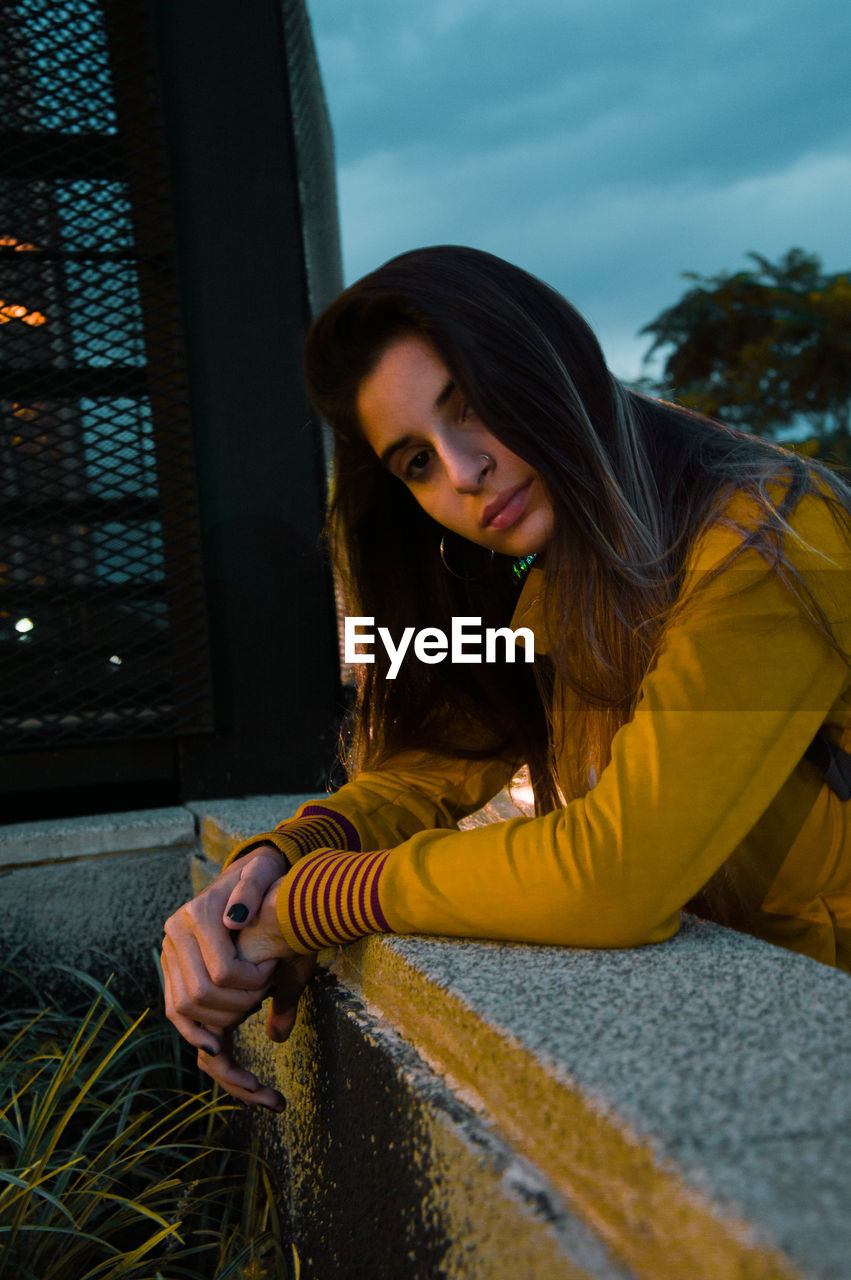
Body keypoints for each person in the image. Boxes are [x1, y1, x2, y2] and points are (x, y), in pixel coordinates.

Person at [162, 246, 851, 1110]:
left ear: (553, 366)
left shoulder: (777, 538)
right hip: (749, 1047)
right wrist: (282, 857)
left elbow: (617, 878)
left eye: (474, 408)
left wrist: (312, 906)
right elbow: (433, 766)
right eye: (414, 461)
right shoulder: (546, 582)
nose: (459, 471)